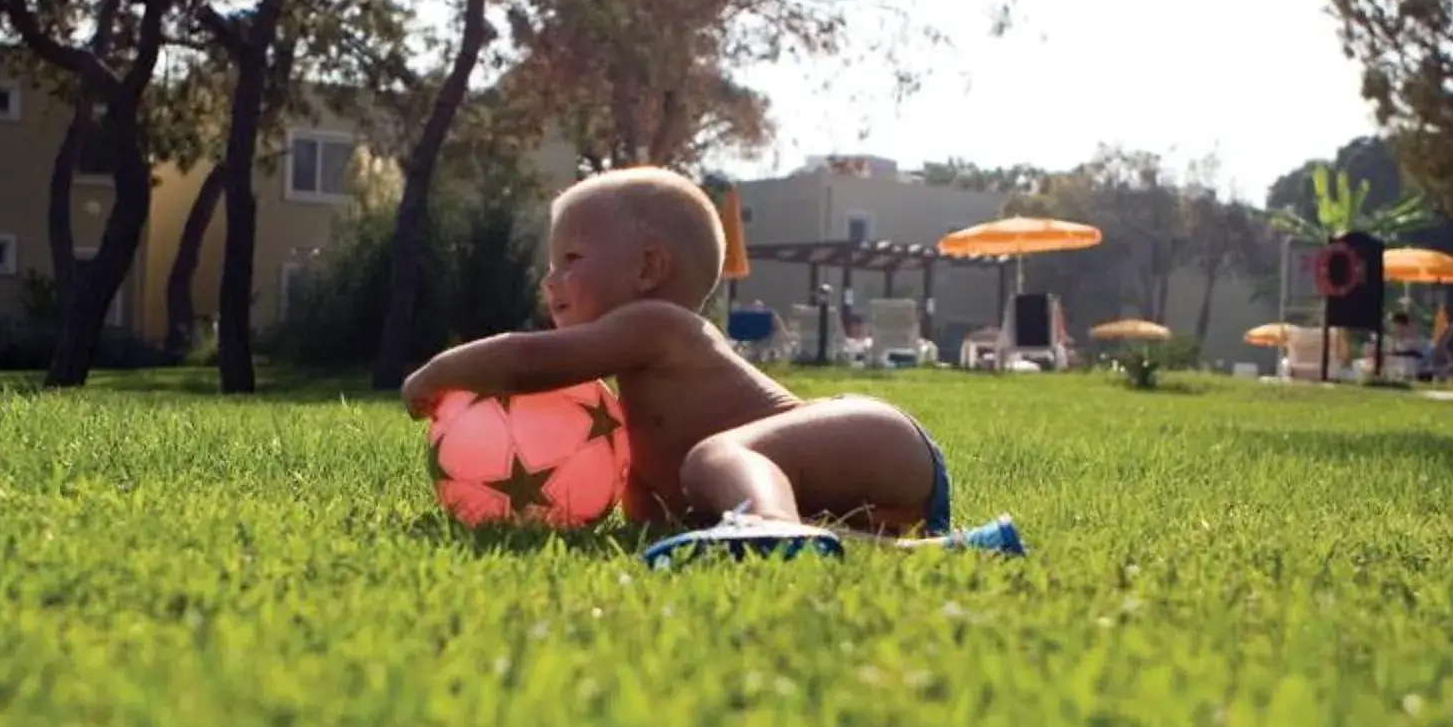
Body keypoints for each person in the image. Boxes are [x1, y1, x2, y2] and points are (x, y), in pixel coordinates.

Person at [401, 169, 1022, 563]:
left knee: (713, 459)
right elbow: (652, 523)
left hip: (867, 432)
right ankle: (954, 549)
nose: (549, 279)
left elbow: (528, 361)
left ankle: (773, 525)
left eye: (571, 258)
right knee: (711, 490)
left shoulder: (657, 324)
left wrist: (439, 372)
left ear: (647, 268)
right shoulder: (639, 425)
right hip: (868, 485)